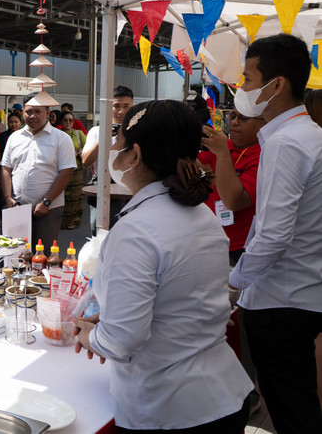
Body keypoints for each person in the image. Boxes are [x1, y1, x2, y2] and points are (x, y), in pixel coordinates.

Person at [73, 100, 253, 432]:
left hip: (170, 410)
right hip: (222, 395)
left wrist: (93, 336)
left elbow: (122, 340)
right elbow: (182, 301)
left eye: (120, 146)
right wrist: (112, 318)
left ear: (135, 155)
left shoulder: (137, 231)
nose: (116, 154)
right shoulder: (203, 215)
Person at [228, 34, 322, 434]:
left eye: (249, 79)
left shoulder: (286, 144)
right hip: (302, 291)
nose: (243, 89)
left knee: (291, 409)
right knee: (295, 401)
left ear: (277, 84)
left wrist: (233, 284)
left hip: (280, 301)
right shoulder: (311, 135)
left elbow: (273, 235)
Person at [0, 94, 76, 247]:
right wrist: (8, 197)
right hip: (16, 207)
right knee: (15, 257)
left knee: (43, 257)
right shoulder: (14, 138)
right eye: (28, 111)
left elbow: (66, 172)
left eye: (38, 111)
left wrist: (46, 201)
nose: (32, 116)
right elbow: (6, 168)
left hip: (48, 209)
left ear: (48, 113)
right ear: (22, 112)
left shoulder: (61, 138)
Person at [197, 108, 264, 266]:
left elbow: (233, 200)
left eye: (244, 118)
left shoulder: (264, 155)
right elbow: (195, 167)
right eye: (233, 116)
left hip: (239, 247)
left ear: (263, 124)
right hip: (208, 238)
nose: (234, 122)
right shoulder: (223, 146)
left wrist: (222, 153)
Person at [81, 85, 134, 234]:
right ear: (109, 107)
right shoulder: (97, 131)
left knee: (127, 235)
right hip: (103, 193)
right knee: (100, 235)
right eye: (116, 106)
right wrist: (103, 140)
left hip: (131, 191)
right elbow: (86, 161)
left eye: (126, 106)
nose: (121, 111)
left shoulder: (138, 132)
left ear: (133, 107)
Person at [59, 110, 86, 230]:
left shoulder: (78, 134)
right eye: (65, 120)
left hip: (77, 170)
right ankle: (61, 221)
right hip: (62, 168)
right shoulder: (58, 134)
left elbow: (87, 147)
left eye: (70, 120)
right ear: (61, 122)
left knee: (75, 196)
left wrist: (79, 152)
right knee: (61, 194)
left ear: (74, 121)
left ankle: (74, 221)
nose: (68, 122)